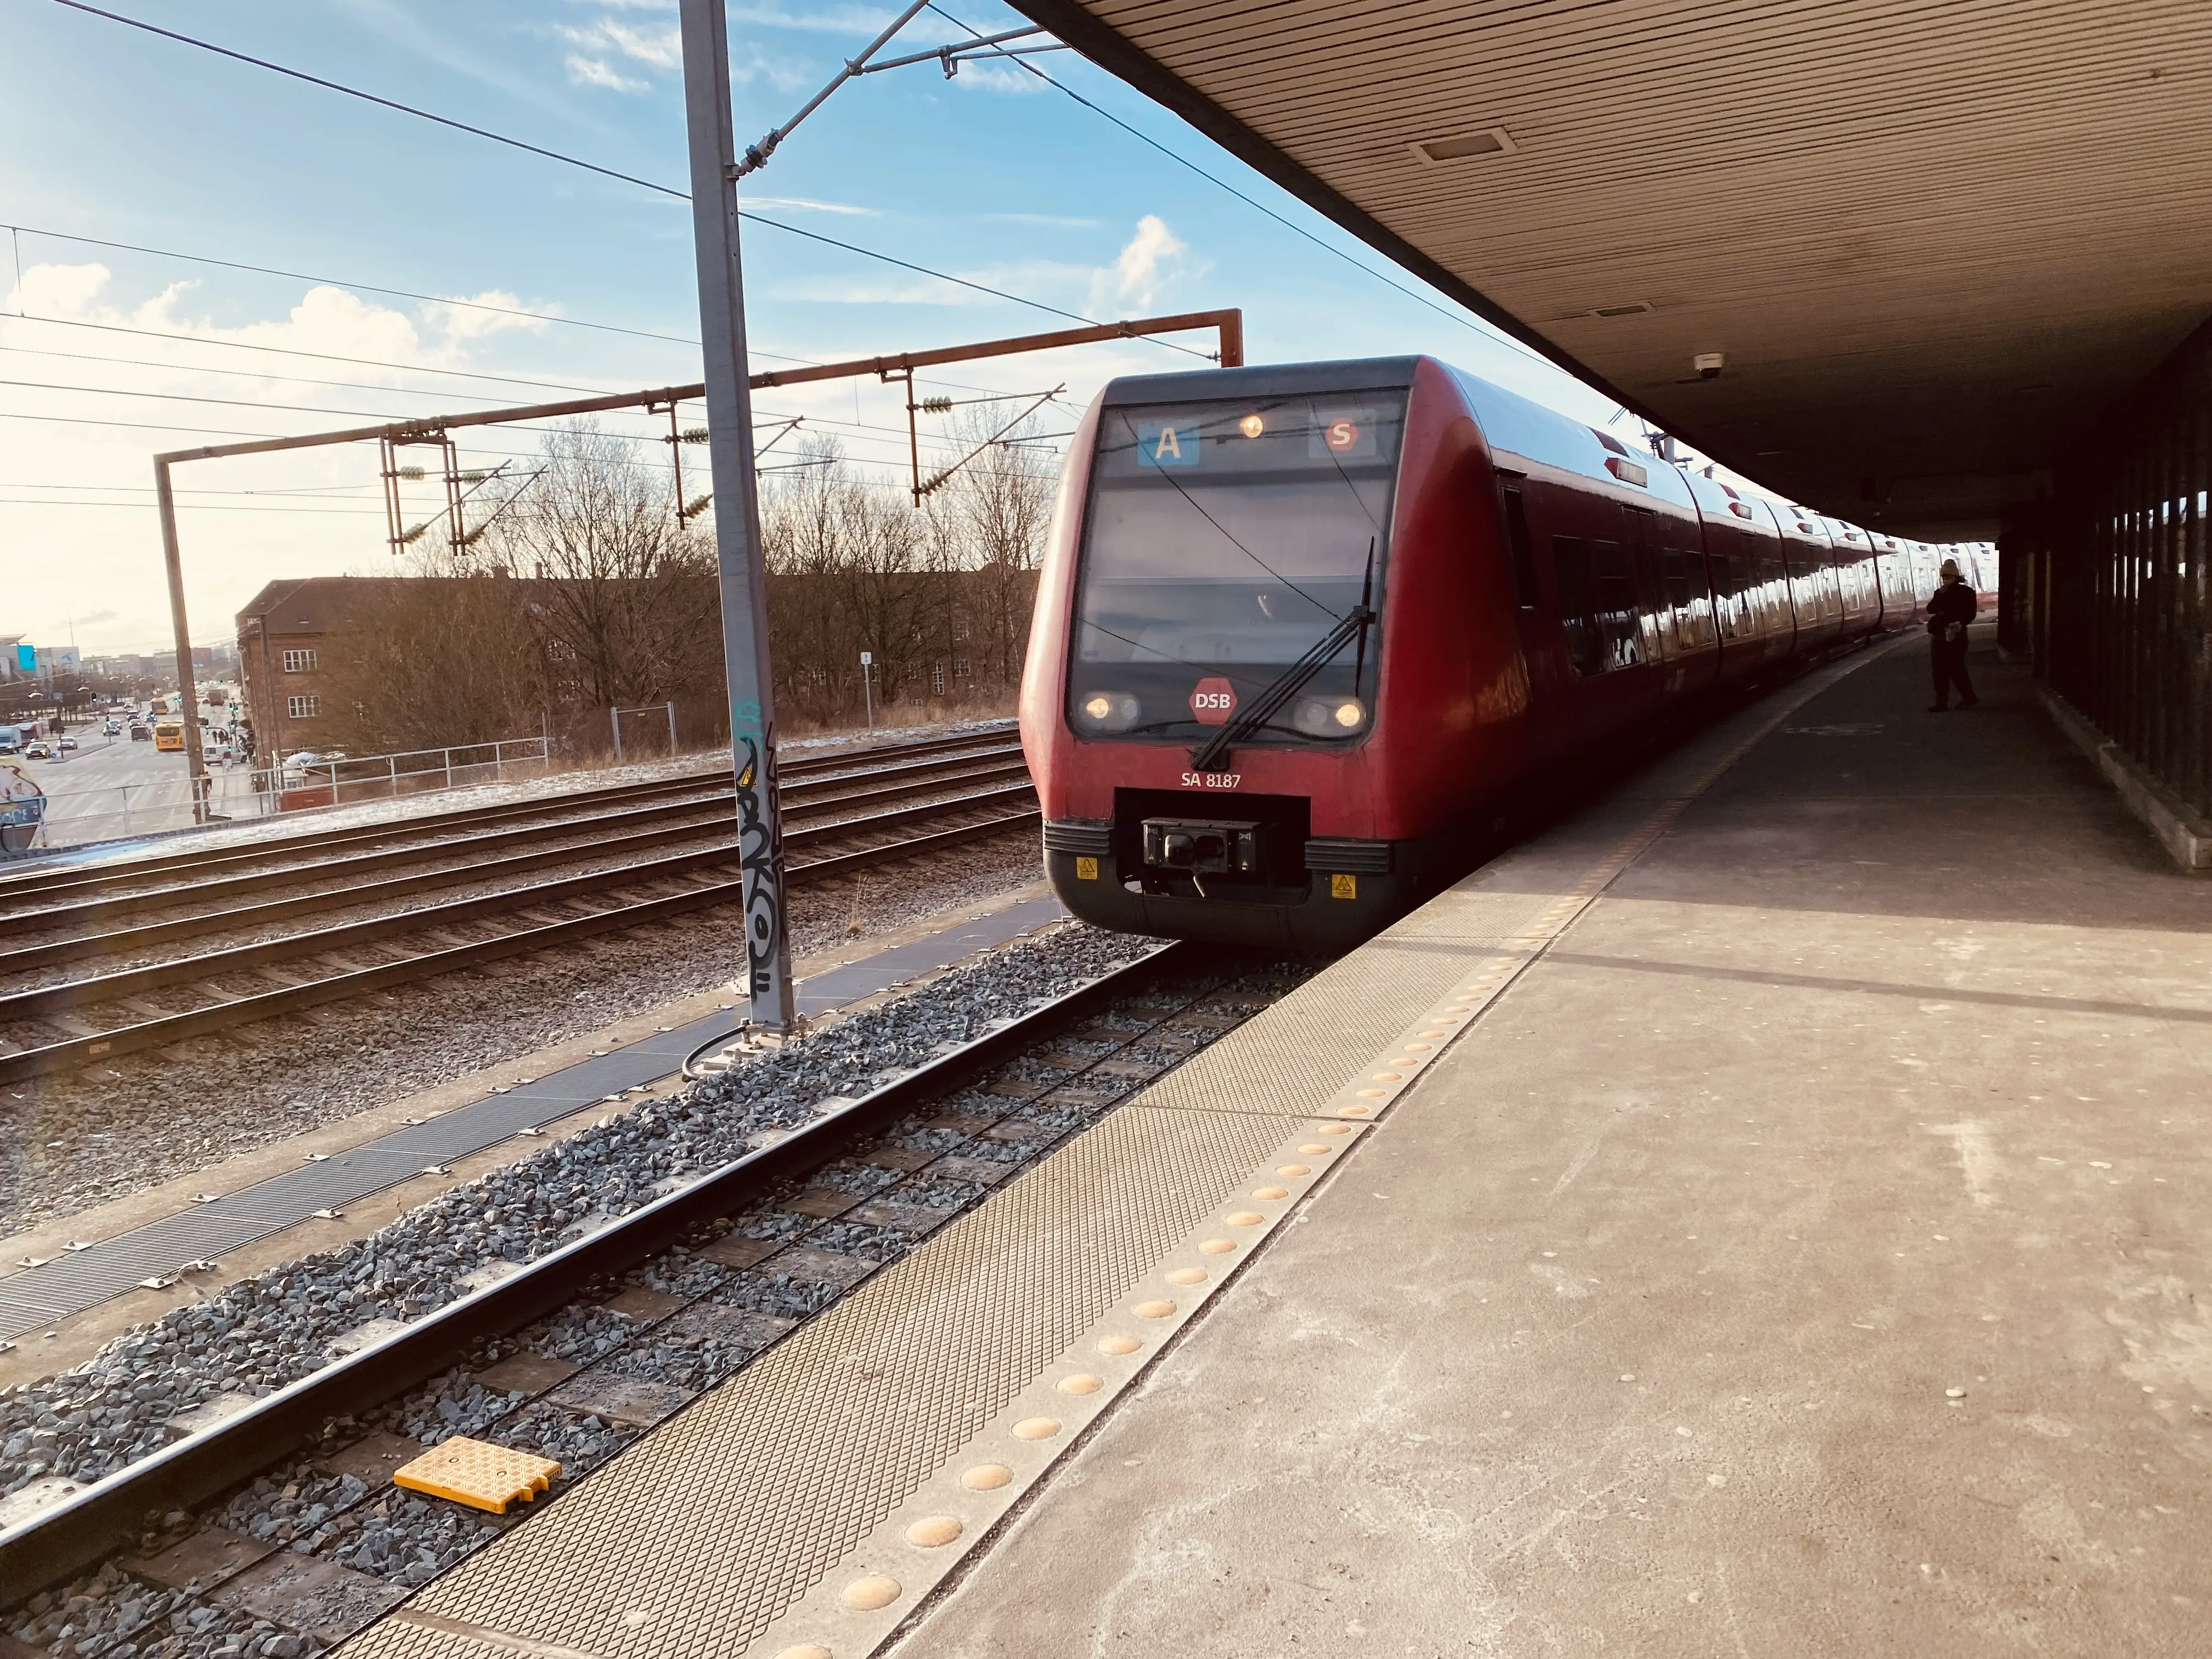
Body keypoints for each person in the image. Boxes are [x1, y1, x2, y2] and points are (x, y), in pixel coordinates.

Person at [1926, 558, 1980, 712]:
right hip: (1941, 635)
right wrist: (1940, 595)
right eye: (1944, 577)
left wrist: (1960, 623)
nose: (1946, 580)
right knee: (1941, 670)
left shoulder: (1967, 592)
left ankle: (1967, 698)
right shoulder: (1940, 593)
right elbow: (1930, 609)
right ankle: (1944, 702)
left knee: (1954, 669)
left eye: (1948, 576)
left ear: (1956, 577)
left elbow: (1970, 612)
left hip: (1956, 635)